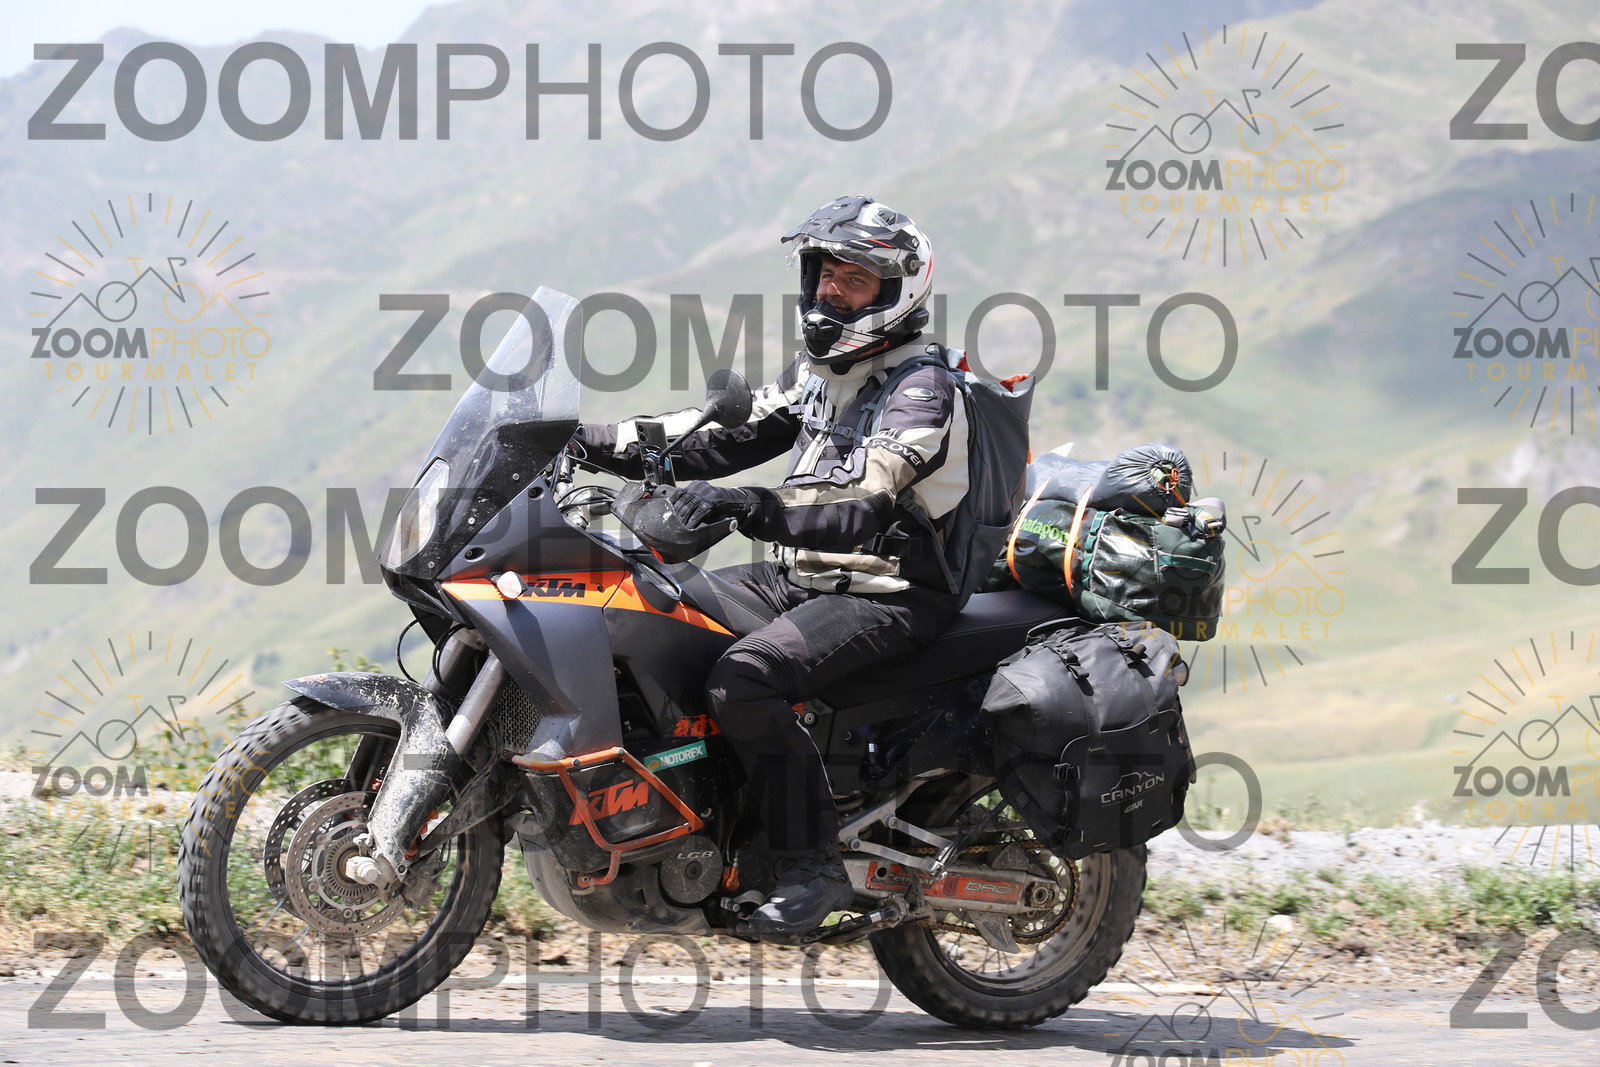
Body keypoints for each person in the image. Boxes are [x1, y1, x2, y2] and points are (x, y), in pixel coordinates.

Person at [573, 195, 971, 933]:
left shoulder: (924, 392)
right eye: (825, 273)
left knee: (745, 677)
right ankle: (698, 824)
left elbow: (862, 501)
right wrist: (581, 438)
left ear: (896, 291)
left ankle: (811, 867)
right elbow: (715, 438)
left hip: (889, 591)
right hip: (801, 575)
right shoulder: (821, 372)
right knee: (652, 609)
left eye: (854, 280)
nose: (831, 292)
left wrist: (746, 505)